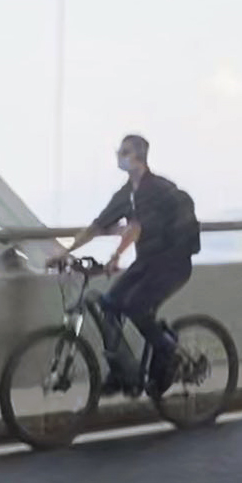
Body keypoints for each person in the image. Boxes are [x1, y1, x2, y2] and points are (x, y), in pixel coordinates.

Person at [49, 135, 199, 395]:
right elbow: (98, 225)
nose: (120, 156)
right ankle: (122, 372)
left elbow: (137, 227)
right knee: (109, 305)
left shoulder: (159, 190)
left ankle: (169, 356)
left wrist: (117, 254)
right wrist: (65, 252)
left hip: (172, 264)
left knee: (136, 308)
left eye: (125, 152)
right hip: (147, 264)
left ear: (139, 156)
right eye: (120, 151)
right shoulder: (126, 193)